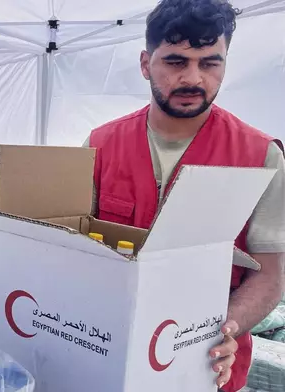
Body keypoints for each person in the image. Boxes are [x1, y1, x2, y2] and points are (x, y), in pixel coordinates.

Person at [84, 1, 284, 391]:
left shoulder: (262, 156)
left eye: (210, 63)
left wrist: (227, 325)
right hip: (108, 350)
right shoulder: (100, 145)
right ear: (146, 64)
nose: (193, 78)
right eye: (176, 62)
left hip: (208, 366)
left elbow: (270, 276)